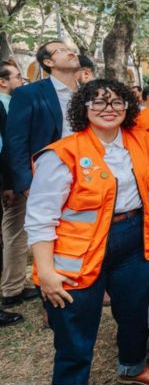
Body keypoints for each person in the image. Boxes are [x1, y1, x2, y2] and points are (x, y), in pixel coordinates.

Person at [25, 79, 149, 384]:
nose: (108, 109)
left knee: (136, 312)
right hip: (78, 253)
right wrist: (45, 271)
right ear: (84, 108)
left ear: (128, 106)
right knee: (75, 333)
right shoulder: (62, 154)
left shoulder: (139, 141)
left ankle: (132, 366)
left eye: (115, 102)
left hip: (134, 241)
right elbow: (40, 219)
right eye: (98, 102)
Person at [3, 40, 80, 308]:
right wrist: (27, 184)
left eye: (71, 48)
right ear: (47, 62)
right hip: (46, 180)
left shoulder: (89, 93)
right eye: (62, 50)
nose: (72, 51)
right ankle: (49, 295)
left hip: (87, 179)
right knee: (46, 236)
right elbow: (16, 141)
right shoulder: (31, 94)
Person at [0, 60, 24, 326]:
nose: (21, 81)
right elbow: (8, 146)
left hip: (7, 178)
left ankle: (12, 288)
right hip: (8, 179)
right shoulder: (5, 106)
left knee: (12, 232)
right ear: (3, 82)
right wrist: (9, 181)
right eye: (17, 77)